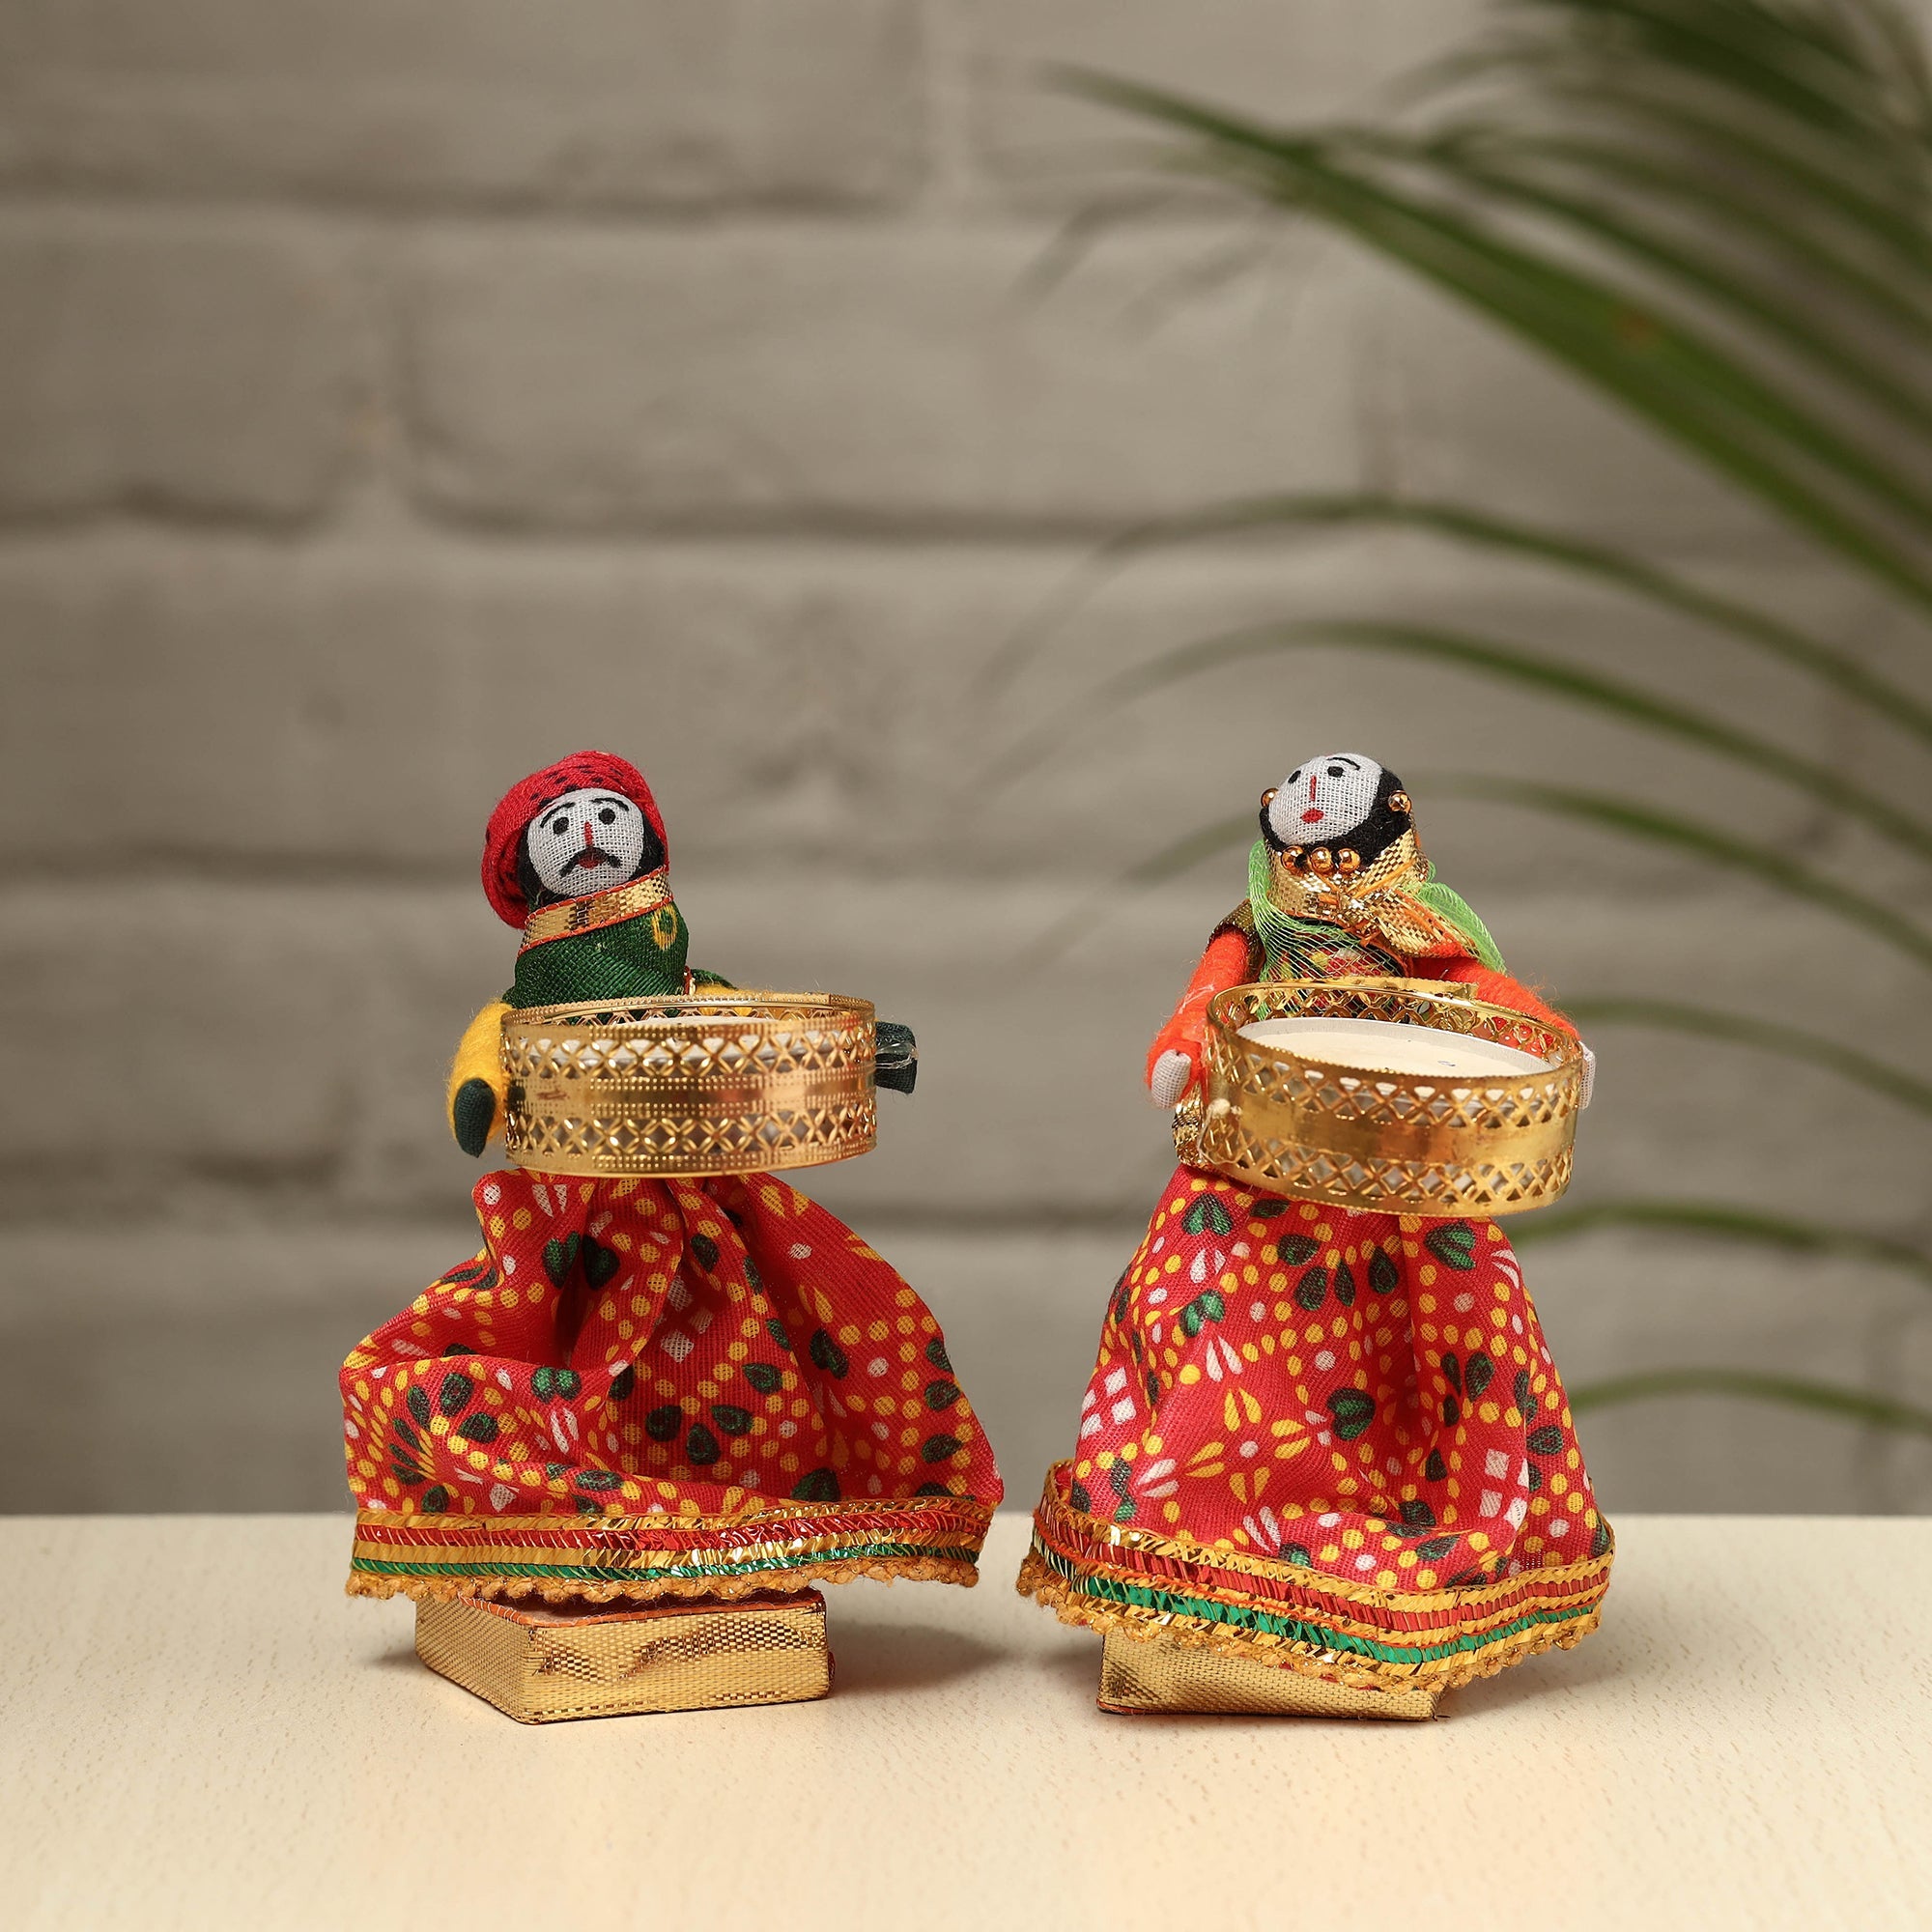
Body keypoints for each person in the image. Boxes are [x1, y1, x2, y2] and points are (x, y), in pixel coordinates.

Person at [1017, 753, 1611, 1699]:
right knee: (1209, 1334)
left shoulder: (1415, 928)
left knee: (1427, 1357)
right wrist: (1183, 1047)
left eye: (1344, 857)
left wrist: (1547, 1043)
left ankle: (1389, 1559)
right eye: (1309, 859)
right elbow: (1208, 997)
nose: (1327, 877)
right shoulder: (1258, 927)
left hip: (1401, 1193)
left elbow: (1484, 991)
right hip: (1255, 1184)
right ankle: (1194, 1549)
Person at [342, 751, 1001, 1604]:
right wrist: (481, 1089)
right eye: (561, 826)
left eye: (605, 816)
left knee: (771, 1338)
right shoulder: (527, 999)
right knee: (567, 1354)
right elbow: (490, 1049)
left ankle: (730, 1525)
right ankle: (585, 1522)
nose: (586, 832)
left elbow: (755, 1026)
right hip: (575, 1218)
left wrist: (860, 1052)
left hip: (707, 1199)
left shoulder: (688, 983)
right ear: (528, 870)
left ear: (646, 845)